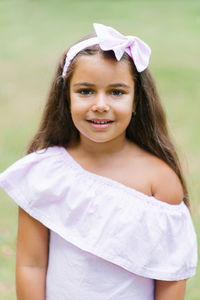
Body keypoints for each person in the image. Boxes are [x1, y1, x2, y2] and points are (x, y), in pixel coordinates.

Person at [0, 23, 197, 300]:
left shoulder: (158, 181)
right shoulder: (45, 174)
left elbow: (170, 276)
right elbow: (31, 265)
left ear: (136, 100)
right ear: (65, 98)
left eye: (116, 92)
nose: (100, 104)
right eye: (85, 91)